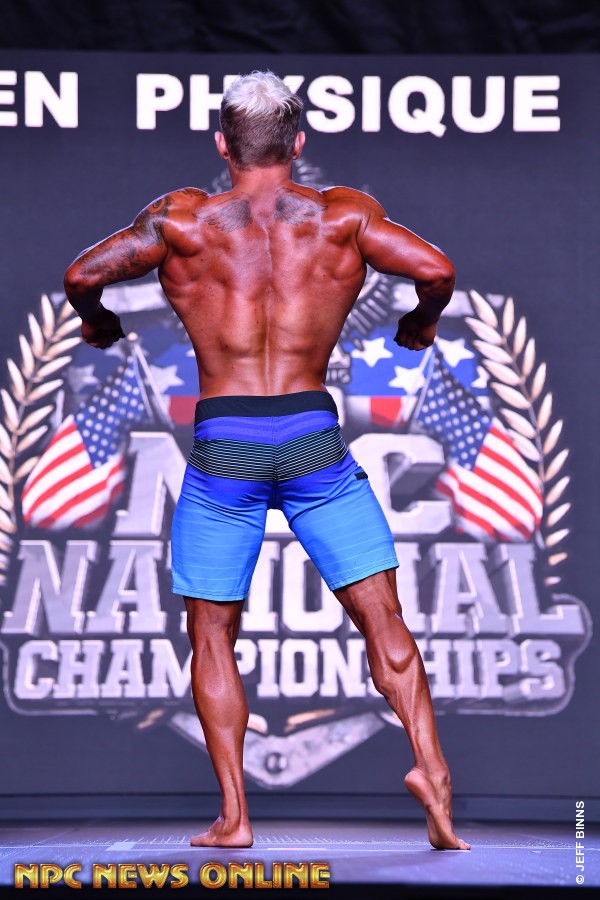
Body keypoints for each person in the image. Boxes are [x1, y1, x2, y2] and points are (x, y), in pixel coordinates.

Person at [64, 70, 470, 852]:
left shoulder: (183, 221)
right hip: (312, 437)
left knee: (213, 633)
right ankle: (432, 773)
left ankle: (235, 816)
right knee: (382, 615)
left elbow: (83, 275)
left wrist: (99, 326)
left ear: (223, 145)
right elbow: (436, 271)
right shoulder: (343, 217)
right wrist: (419, 326)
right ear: (298, 142)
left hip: (227, 447)